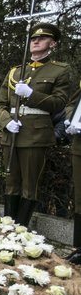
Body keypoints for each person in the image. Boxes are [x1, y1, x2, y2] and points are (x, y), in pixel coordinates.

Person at [0, 23, 70, 226]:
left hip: (35, 135)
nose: (35, 41)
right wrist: (6, 122)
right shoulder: (15, 72)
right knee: (11, 184)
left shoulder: (59, 70)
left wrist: (31, 95)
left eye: (42, 38)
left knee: (30, 185)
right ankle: (9, 227)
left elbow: (59, 103)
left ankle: (22, 230)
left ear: (52, 44)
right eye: (33, 38)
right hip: (12, 133)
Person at [64, 81, 81, 264]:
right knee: (79, 199)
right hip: (79, 145)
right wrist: (72, 117)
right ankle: (79, 248)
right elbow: (72, 104)